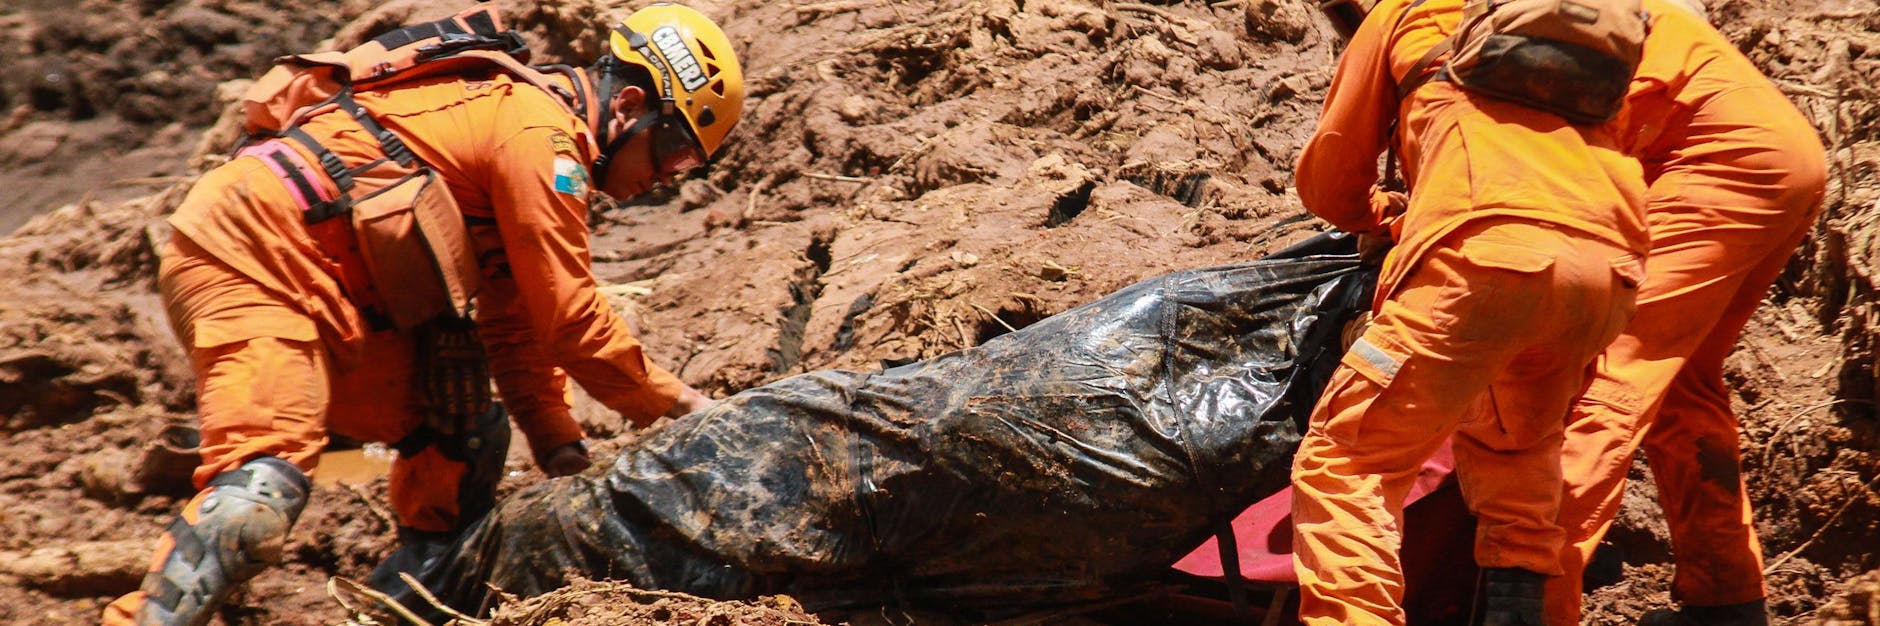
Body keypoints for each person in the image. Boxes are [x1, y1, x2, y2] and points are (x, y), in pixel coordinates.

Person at [100, 4, 743, 625]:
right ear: (630, 106)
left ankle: (399, 609)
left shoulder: (535, 134)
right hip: (254, 255)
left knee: (461, 433)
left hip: (331, 291)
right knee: (258, 493)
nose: (667, 179)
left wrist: (561, 449)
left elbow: (516, 325)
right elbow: (572, 324)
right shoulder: (540, 137)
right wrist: (686, 409)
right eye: (674, 153)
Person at [1288, 0, 1652, 622]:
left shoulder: (1405, 11)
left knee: (1348, 462)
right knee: (1517, 450)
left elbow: (1329, 183)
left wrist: (1389, 216)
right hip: (1610, 266)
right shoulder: (1569, 39)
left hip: (1486, 256)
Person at [1547, 0, 1829, 623]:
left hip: (1712, 156)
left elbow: (1335, 172)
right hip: (1779, 153)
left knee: (1607, 375)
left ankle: (1529, 600)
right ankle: (1724, 597)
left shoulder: (1420, 25)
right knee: (1682, 379)